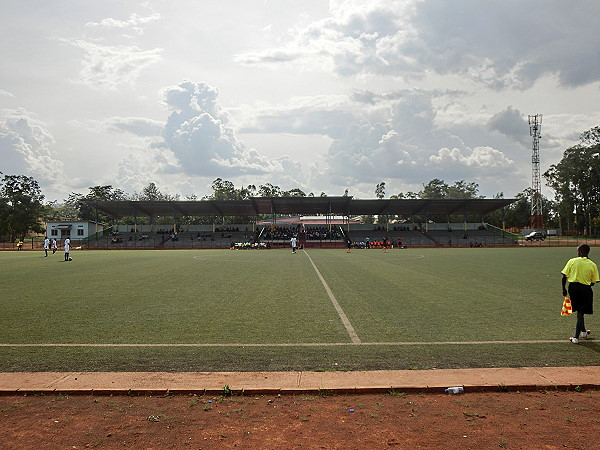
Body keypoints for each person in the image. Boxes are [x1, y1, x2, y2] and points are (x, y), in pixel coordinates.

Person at [561, 244, 600, 343]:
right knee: (580, 312)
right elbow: (594, 282)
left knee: (579, 312)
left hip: (573, 288)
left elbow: (564, 276)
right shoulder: (592, 264)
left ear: (580, 251)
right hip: (585, 289)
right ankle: (581, 333)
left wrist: (564, 289)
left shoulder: (572, 261)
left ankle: (577, 336)